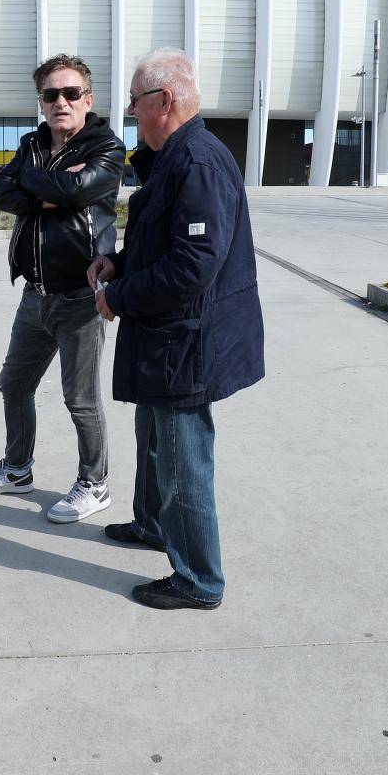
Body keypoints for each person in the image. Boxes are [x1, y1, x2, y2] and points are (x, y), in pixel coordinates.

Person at [88, 48, 264, 610]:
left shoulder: (200, 162)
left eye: (135, 103)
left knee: (185, 456)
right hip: (167, 337)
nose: (131, 115)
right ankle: (151, 524)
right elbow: (161, 236)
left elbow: (193, 264)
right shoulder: (173, 156)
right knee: (153, 438)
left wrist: (119, 296)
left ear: (164, 101)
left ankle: (199, 580)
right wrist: (120, 260)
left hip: (189, 341)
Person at [0, 54, 126, 523]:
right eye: (51, 94)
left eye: (71, 93)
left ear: (87, 99)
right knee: (13, 384)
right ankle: (17, 469)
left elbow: (79, 193)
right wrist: (49, 189)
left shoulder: (107, 148)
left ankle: (94, 483)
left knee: (80, 399)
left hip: (80, 294)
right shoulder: (32, 143)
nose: (61, 102)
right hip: (34, 294)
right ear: (41, 102)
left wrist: (38, 185)